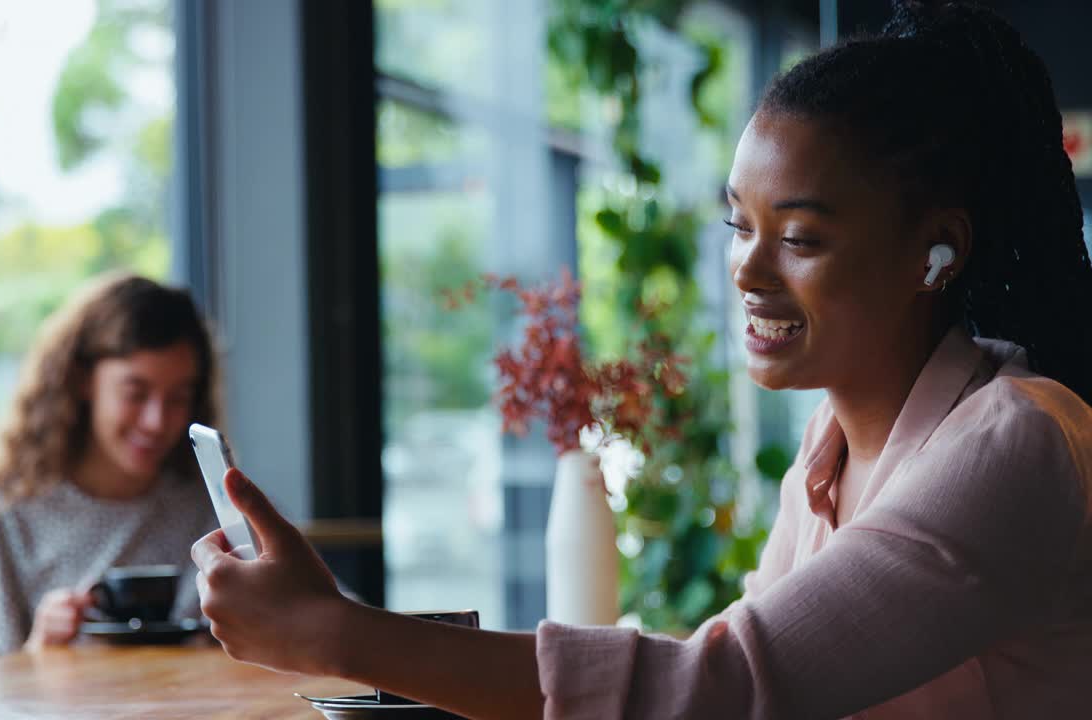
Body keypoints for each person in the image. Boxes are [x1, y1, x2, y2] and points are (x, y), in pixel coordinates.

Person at [188, 2, 1092, 718]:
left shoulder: (1015, 441)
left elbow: (728, 688)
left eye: (802, 237)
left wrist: (338, 634)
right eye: (739, 223)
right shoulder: (832, 444)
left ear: (935, 250)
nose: (745, 265)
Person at [0, 272, 224, 662]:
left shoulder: (208, 505)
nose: (157, 421)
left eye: (178, 398)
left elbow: (319, 615)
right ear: (83, 381)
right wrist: (37, 653)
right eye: (135, 393)